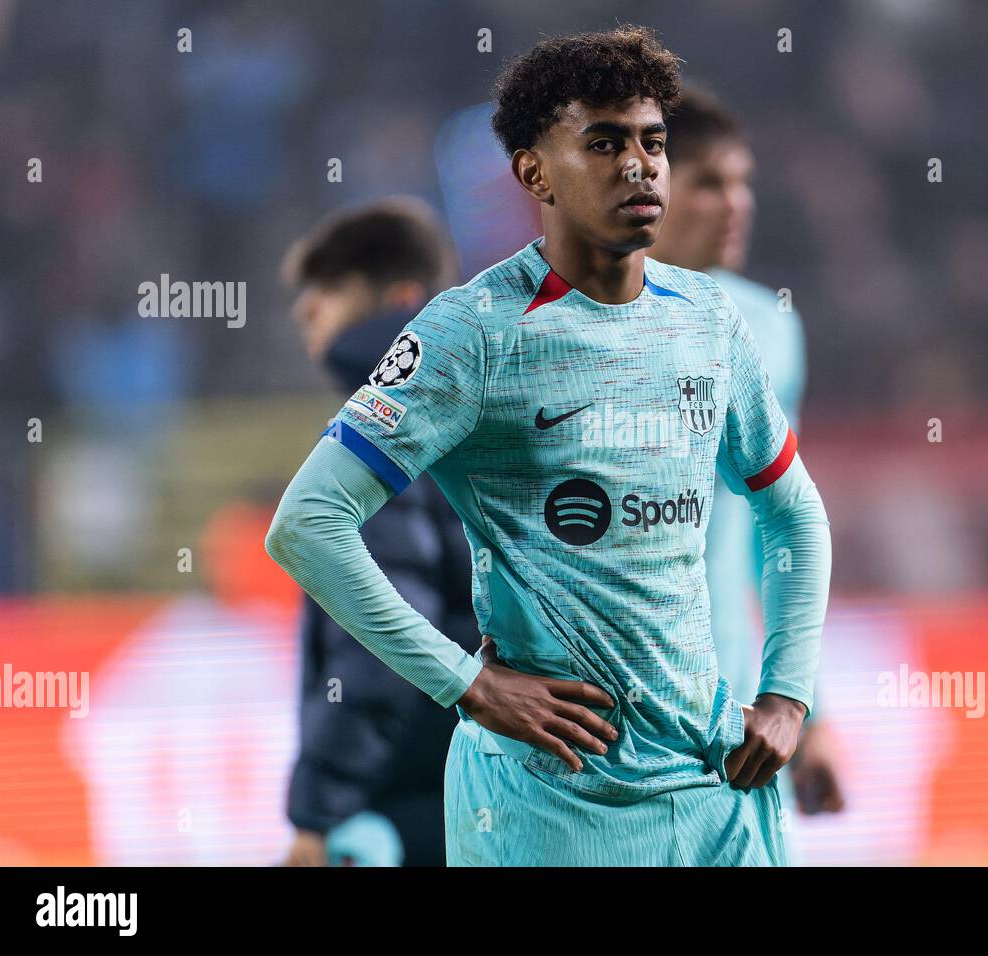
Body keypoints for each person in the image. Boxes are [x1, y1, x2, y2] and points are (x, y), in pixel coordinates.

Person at [266, 24, 831, 866]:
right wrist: (468, 684)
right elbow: (307, 523)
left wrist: (788, 698)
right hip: (547, 803)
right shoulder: (472, 334)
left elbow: (795, 514)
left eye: (652, 142)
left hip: (713, 790)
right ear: (534, 171)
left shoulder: (710, 322)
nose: (638, 165)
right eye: (602, 143)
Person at [648, 87, 847, 861]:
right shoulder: (554, 325)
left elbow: (782, 535)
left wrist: (809, 709)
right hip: (603, 716)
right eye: (708, 182)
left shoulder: (768, 326)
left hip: (734, 709)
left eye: (742, 182)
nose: (736, 204)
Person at [277, 198, 480, 866]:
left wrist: (318, 815)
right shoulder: (472, 406)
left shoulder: (388, 423)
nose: (307, 309)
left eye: (331, 288)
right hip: (477, 793)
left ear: (402, 299)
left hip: (414, 814)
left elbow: (381, 644)